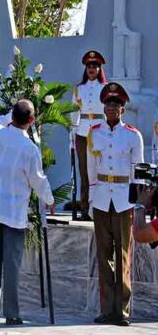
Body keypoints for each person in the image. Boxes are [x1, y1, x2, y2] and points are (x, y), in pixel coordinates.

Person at [0, 100, 54, 325]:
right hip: (13, 212)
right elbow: (37, 180)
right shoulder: (29, 149)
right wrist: (49, 199)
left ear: (12, 116)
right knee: (11, 264)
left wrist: (8, 115)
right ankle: (11, 313)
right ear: (31, 121)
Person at [87, 82, 144, 326]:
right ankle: (107, 308)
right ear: (104, 107)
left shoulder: (133, 135)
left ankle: (122, 310)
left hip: (123, 199)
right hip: (101, 198)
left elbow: (138, 172)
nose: (111, 108)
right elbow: (91, 168)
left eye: (116, 104)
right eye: (108, 104)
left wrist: (139, 204)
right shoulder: (94, 132)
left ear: (122, 109)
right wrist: (90, 197)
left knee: (122, 256)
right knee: (103, 256)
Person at [70, 50, 107, 220]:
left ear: (100, 69)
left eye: (95, 66)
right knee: (84, 173)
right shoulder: (79, 89)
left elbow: (109, 112)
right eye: (89, 66)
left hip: (101, 132)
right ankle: (85, 209)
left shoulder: (105, 88)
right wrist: (72, 134)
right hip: (83, 133)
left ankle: (100, 208)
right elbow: (74, 112)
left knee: (101, 170)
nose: (91, 68)